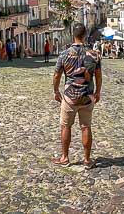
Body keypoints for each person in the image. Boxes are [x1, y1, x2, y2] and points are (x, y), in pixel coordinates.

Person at [51, 23, 102, 169]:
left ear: (73, 35)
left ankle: (65, 157)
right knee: (86, 127)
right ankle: (87, 160)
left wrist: (56, 91)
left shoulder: (64, 54)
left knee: (66, 126)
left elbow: (57, 75)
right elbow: (98, 76)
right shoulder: (94, 55)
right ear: (85, 35)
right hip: (87, 96)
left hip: (69, 97)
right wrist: (98, 92)